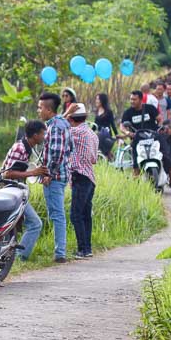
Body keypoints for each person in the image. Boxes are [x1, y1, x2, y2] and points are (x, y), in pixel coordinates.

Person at [0, 120, 49, 261]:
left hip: (17, 192)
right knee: (35, 223)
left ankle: (9, 257)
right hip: (10, 191)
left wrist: (41, 176)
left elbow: (26, 171)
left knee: (13, 227)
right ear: (35, 135)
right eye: (42, 133)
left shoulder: (28, 148)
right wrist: (34, 173)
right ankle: (18, 258)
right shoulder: (20, 148)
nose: (44, 137)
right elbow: (7, 174)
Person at [38, 92, 73, 263]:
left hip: (55, 177)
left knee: (57, 214)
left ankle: (60, 252)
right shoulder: (63, 123)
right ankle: (60, 250)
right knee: (57, 213)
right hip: (61, 174)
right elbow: (70, 148)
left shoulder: (55, 127)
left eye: (40, 107)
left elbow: (57, 153)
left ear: (48, 109)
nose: (39, 111)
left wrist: (49, 174)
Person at [120, 90, 171, 182]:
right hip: (138, 139)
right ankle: (135, 179)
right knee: (136, 159)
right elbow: (122, 126)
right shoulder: (128, 112)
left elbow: (160, 119)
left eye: (134, 99)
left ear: (141, 100)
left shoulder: (150, 108)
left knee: (167, 155)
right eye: (131, 99)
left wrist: (161, 127)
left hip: (154, 136)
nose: (132, 101)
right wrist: (127, 133)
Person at [66, 104, 98, 259]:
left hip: (80, 177)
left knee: (75, 215)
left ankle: (82, 249)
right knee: (85, 214)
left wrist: (66, 113)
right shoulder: (92, 134)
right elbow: (94, 159)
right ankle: (87, 248)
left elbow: (55, 129)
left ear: (71, 119)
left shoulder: (74, 132)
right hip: (90, 177)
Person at [94, 93, 117, 159]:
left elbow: (112, 124)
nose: (96, 101)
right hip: (99, 133)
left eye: (98, 99)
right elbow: (95, 125)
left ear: (102, 100)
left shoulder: (108, 112)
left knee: (105, 150)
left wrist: (117, 135)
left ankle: (109, 157)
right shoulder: (97, 111)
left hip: (106, 133)